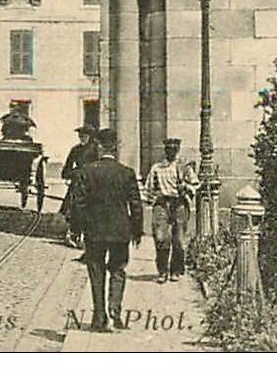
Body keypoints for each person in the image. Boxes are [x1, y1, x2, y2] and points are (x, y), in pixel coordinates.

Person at [67, 127, 142, 332]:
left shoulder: (87, 171)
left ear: (99, 147)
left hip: (94, 232)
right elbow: (135, 203)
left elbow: (78, 204)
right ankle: (115, 312)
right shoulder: (127, 173)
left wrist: (76, 229)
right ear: (116, 147)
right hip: (120, 231)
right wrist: (137, 231)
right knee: (118, 269)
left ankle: (99, 317)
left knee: (96, 271)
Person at [143, 136, 199, 283]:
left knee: (179, 240)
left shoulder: (184, 167)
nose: (171, 152)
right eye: (169, 149)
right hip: (162, 204)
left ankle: (176, 269)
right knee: (161, 237)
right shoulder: (157, 168)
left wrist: (185, 187)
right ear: (165, 150)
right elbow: (148, 188)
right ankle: (162, 270)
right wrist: (149, 199)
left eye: (174, 149)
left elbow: (196, 184)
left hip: (179, 204)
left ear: (178, 150)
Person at [60, 124, 99, 249]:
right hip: (77, 183)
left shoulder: (97, 150)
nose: (82, 138)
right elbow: (67, 168)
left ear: (90, 137)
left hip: (92, 183)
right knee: (73, 207)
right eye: (80, 135)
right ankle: (73, 233)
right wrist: (72, 174)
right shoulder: (75, 150)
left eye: (84, 135)